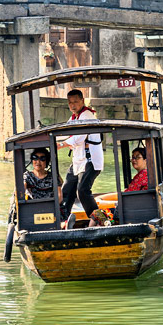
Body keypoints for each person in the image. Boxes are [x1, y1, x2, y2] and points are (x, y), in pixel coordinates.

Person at [58, 88, 104, 227]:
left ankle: (100, 219)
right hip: (78, 161)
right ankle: (63, 219)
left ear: (82, 101)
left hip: (90, 161)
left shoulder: (87, 115)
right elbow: (65, 132)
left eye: (76, 102)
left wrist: (61, 144)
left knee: (83, 191)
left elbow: (78, 137)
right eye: (70, 102)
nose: (73, 105)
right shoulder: (73, 117)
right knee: (67, 191)